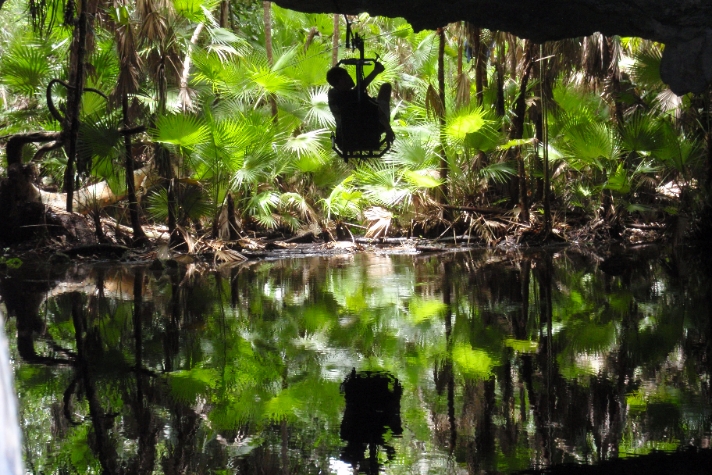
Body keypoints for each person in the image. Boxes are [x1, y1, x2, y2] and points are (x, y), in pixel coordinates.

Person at [326, 62, 395, 146]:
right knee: (386, 88)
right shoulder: (354, 100)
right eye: (346, 76)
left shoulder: (334, 95)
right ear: (341, 81)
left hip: (345, 138)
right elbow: (378, 112)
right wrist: (388, 129)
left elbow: (356, 90)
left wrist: (375, 71)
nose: (349, 78)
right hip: (367, 132)